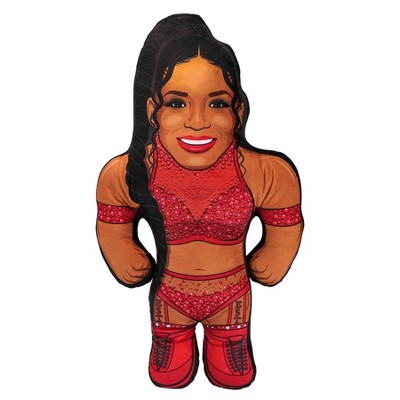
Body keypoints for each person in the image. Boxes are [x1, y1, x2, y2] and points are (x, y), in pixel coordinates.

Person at [96, 14, 303, 389]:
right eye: (176, 103)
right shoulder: (129, 171)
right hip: (168, 302)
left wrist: (276, 253)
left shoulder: (265, 172)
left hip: (232, 303)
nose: (197, 121)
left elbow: (284, 219)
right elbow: (114, 218)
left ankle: (228, 341)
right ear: (152, 111)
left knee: (232, 373)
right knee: (169, 372)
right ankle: (170, 339)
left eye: (217, 103)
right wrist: (122, 251)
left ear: (238, 111)